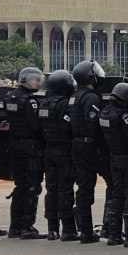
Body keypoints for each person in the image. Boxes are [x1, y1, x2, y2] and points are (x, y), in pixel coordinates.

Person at [2, 67, 46, 238]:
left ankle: (15, 226)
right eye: (36, 79)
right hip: (30, 148)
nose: (39, 82)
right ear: (26, 80)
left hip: (14, 145)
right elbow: (36, 126)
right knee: (32, 186)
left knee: (20, 187)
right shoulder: (30, 101)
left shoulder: (10, 97)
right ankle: (27, 227)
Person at [68, 60, 107, 243]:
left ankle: (84, 229)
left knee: (83, 188)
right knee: (104, 184)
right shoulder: (91, 97)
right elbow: (94, 124)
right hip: (89, 146)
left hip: (76, 145)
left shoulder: (74, 96)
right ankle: (92, 230)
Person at [40, 69, 78, 241]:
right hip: (64, 151)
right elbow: (71, 126)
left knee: (51, 190)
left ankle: (52, 228)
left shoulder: (43, 104)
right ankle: (68, 229)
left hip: (48, 150)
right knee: (65, 190)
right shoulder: (65, 104)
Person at [98, 82, 128, 246]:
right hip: (126, 158)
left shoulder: (104, 112)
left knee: (115, 194)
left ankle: (113, 234)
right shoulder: (123, 115)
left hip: (113, 157)